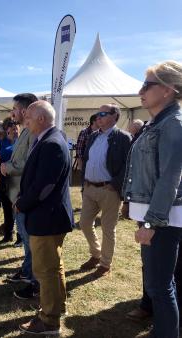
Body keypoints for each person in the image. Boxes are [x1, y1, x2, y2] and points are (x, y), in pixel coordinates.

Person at [123, 60, 182, 338]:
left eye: (148, 84)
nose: (140, 90)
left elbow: (169, 178)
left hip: (163, 219)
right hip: (157, 216)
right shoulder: (157, 123)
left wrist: (151, 224)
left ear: (168, 90)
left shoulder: (172, 124)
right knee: (161, 284)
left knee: (160, 286)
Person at [16, 100, 73, 336]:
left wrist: (22, 203)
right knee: (54, 266)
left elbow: (44, 187)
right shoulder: (51, 139)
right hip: (49, 216)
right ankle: (57, 307)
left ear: (40, 119)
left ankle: (49, 321)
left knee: (46, 270)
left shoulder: (51, 143)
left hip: (46, 218)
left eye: (28, 118)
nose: (24, 121)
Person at [79, 104, 132, 277]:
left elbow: (128, 164)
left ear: (114, 116)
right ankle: (96, 254)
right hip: (90, 188)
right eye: (97, 113)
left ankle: (105, 263)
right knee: (84, 223)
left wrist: (115, 183)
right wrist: (84, 183)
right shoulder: (93, 136)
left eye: (102, 114)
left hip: (109, 190)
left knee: (108, 228)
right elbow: (86, 160)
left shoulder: (123, 137)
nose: (98, 117)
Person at [0, 93, 40, 299]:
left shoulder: (33, 133)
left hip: (24, 195)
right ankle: (27, 271)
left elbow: (30, 164)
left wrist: (8, 167)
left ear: (24, 111)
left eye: (14, 108)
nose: (11, 112)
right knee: (26, 239)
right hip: (17, 194)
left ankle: (34, 279)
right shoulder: (25, 131)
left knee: (30, 239)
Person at [0, 119, 14, 242]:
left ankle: (11, 233)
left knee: (11, 207)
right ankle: (8, 233)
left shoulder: (11, 142)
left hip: (11, 178)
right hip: (2, 179)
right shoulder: (1, 142)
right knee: (7, 208)